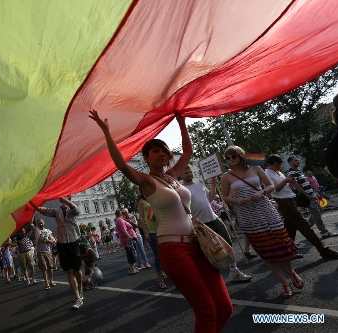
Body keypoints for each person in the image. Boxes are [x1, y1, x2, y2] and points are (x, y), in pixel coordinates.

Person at [90, 110, 232, 333]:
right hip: (174, 250)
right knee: (207, 311)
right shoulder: (146, 181)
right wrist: (106, 132)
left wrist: (181, 122)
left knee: (224, 308)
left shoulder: (172, 177)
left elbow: (188, 151)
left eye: (164, 150)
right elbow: (122, 165)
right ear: (146, 158)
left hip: (198, 244)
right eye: (155, 151)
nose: (162, 154)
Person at [220, 146, 301, 299]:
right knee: (265, 250)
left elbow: (271, 185)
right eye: (228, 158)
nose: (231, 160)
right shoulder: (226, 176)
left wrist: (261, 191)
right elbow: (224, 196)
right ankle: (285, 283)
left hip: (266, 210)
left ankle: (291, 272)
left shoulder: (255, 167)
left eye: (234, 156)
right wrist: (237, 200)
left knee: (282, 243)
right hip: (248, 216)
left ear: (241, 155)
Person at [181, 165, 251, 282]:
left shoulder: (199, 185)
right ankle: (213, 278)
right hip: (201, 225)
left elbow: (209, 199)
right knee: (210, 251)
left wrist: (213, 186)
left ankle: (234, 271)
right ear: (181, 175)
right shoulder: (181, 189)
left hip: (214, 218)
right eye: (186, 172)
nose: (189, 173)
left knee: (227, 243)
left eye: (190, 171)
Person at [265, 155, 338, 259]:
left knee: (290, 228)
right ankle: (323, 250)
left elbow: (287, 186)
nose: (279, 167)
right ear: (269, 165)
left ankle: (288, 251)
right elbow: (274, 190)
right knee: (304, 224)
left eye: (280, 165)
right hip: (283, 201)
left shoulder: (278, 172)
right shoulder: (267, 174)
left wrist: (290, 183)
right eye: (276, 165)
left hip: (290, 199)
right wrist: (286, 181)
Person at [31, 197, 84, 309]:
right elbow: (41, 210)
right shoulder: (56, 211)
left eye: (65, 196)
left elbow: (77, 210)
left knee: (77, 269)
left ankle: (81, 288)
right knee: (69, 271)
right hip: (62, 242)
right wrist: (30, 200)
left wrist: (63, 198)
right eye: (61, 197)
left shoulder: (72, 209)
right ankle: (78, 298)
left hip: (73, 241)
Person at [286, 156, 338, 238]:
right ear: (290, 162)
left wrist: (314, 193)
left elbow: (306, 185)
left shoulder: (298, 171)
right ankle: (324, 232)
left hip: (311, 194)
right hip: (307, 196)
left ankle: (308, 226)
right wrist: (306, 194)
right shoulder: (291, 172)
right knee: (316, 213)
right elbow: (295, 185)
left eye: (298, 160)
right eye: (295, 160)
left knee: (319, 210)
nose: (298, 161)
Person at [137, 194, 168, 289]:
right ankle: (160, 279)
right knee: (158, 255)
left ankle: (167, 272)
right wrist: (145, 233)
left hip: (161, 227)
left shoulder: (153, 196)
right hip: (151, 231)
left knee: (166, 252)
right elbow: (141, 217)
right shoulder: (140, 200)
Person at [115, 209, 140, 275]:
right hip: (128, 240)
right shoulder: (120, 220)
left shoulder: (119, 220)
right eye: (123, 213)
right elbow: (123, 230)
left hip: (128, 238)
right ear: (121, 214)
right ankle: (131, 269)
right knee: (131, 254)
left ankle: (134, 267)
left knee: (132, 253)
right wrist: (129, 237)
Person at [35, 219, 57, 290]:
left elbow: (52, 241)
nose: (40, 224)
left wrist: (48, 240)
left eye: (41, 223)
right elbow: (30, 224)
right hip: (40, 251)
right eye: (39, 223)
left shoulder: (48, 231)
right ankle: (47, 284)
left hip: (47, 251)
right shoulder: (37, 230)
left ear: (44, 223)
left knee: (50, 267)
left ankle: (51, 281)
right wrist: (33, 213)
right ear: (37, 224)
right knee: (44, 267)